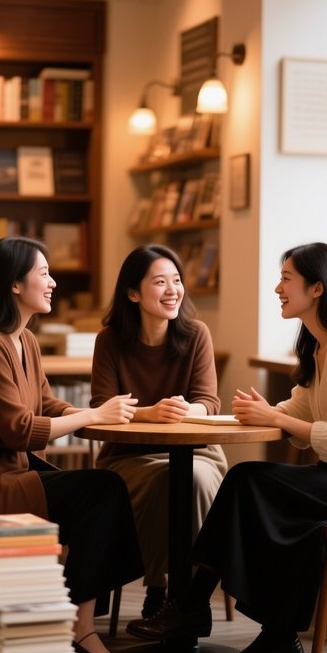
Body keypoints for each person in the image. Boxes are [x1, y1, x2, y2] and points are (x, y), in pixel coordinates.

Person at [126, 241, 327, 653]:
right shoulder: (322, 343)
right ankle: (271, 635)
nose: (277, 287)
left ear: (317, 288)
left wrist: (272, 417)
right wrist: (250, 415)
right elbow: (299, 411)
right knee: (257, 490)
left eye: (286, 278)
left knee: (250, 482)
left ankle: (192, 606)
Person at [0, 236, 144, 653]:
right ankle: (77, 627)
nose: (53, 283)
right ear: (15, 285)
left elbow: (47, 406)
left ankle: (73, 623)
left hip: (14, 471)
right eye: (44, 273)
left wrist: (104, 414)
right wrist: (95, 413)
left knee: (105, 491)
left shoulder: (24, 341)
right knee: (103, 492)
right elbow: (18, 430)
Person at [90, 244, 227, 618]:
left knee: (193, 479)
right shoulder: (110, 341)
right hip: (128, 456)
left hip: (197, 452)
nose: (173, 290)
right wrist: (150, 413)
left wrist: (186, 409)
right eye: (160, 282)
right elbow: (101, 408)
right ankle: (160, 586)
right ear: (133, 293)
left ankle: (190, 598)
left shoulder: (197, 334)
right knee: (166, 481)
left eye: (177, 280)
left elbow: (209, 403)